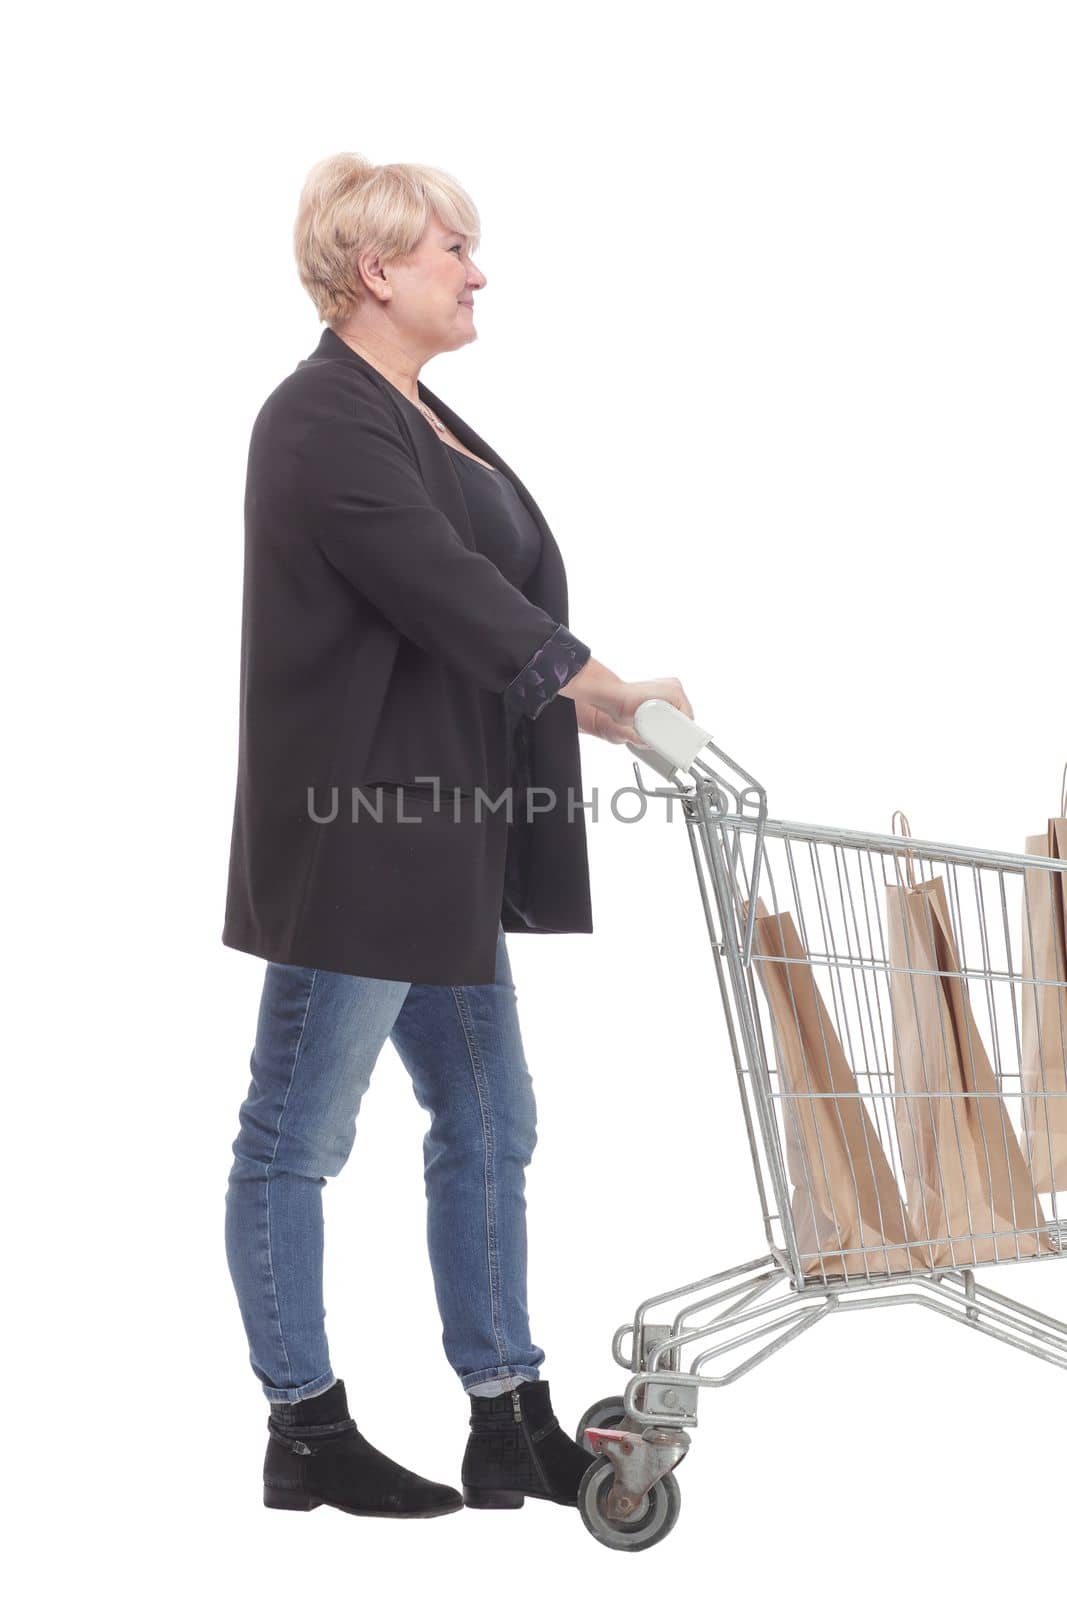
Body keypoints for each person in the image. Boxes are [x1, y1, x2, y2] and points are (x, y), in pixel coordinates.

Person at [222, 152, 696, 1521]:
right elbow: (443, 593)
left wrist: (587, 687)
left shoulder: (428, 417)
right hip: (361, 841)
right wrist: (597, 689)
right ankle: (304, 1428)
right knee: (296, 1138)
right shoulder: (320, 420)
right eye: (452, 251)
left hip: (445, 841)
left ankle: (510, 1418)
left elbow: (488, 583)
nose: (476, 272)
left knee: (492, 1123)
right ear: (376, 271)